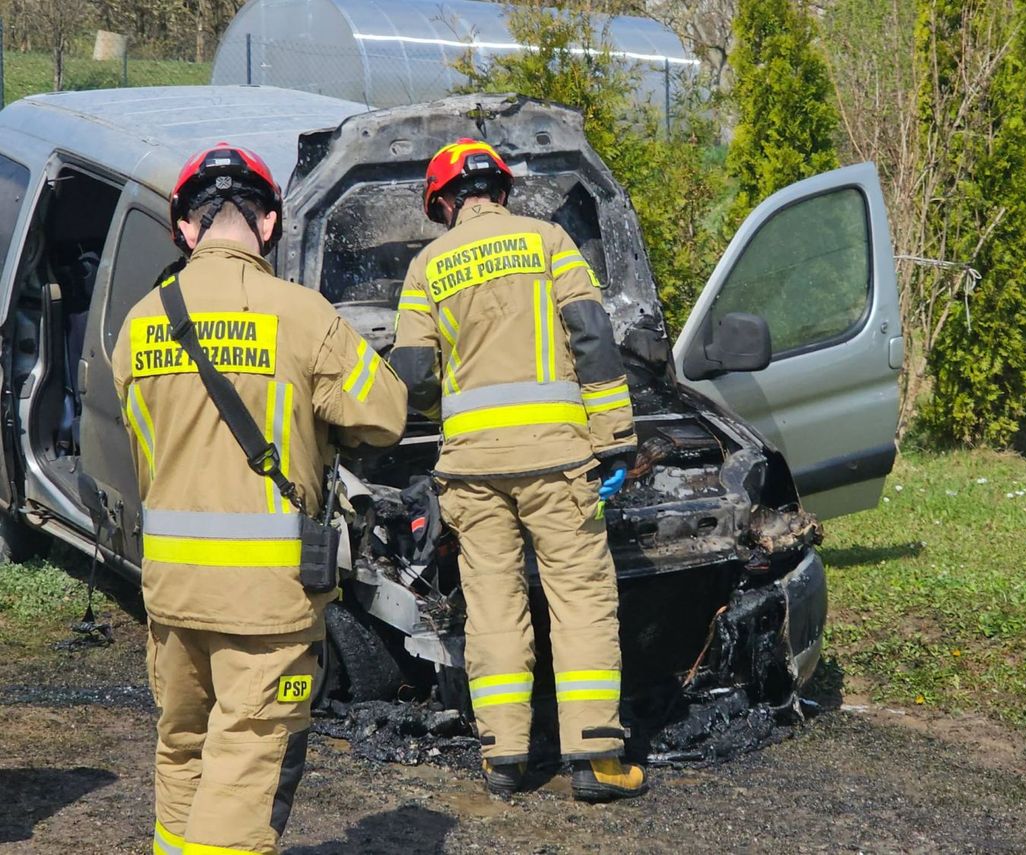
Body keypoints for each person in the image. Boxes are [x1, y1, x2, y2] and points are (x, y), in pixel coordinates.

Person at [112, 143, 407, 855]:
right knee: (246, 766)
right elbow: (388, 413)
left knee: (182, 750)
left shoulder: (137, 326)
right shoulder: (301, 316)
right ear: (269, 222)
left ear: (185, 228)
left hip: (172, 592)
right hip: (265, 602)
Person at [389, 138, 646, 802]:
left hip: (473, 471)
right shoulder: (549, 242)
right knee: (581, 600)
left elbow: (413, 377)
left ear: (444, 202)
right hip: (558, 460)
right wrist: (614, 437)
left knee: (494, 605)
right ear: (500, 190)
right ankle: (592, 760)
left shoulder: (427, 266)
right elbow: (593, 337)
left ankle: (504, 759)